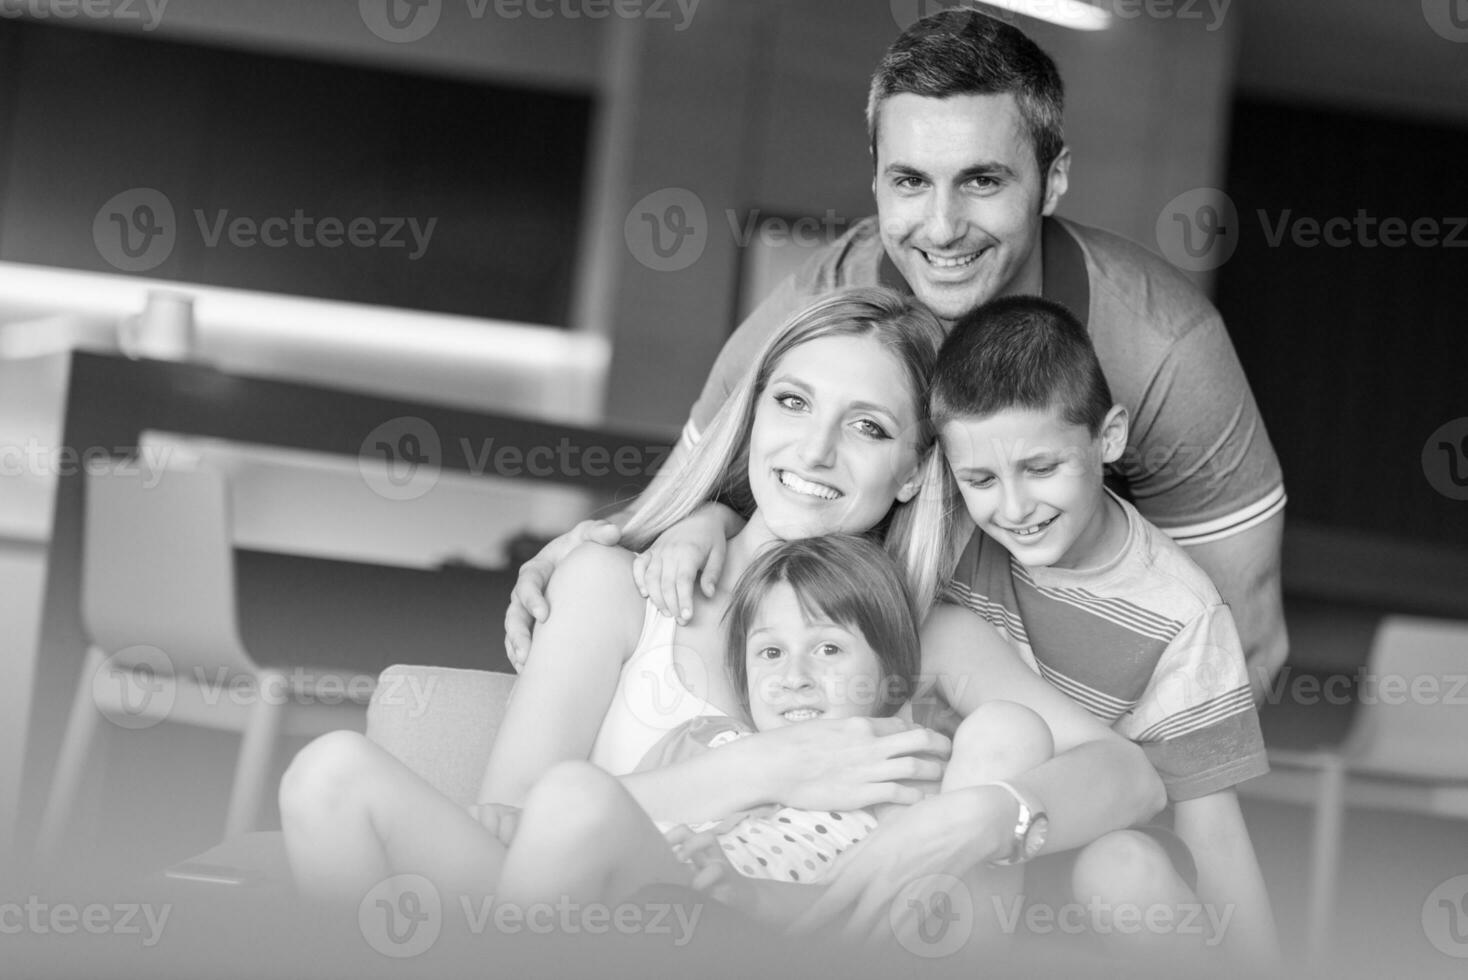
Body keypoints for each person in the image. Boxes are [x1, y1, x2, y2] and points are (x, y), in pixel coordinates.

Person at [280, 288, 1163, 944]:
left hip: (735, 936)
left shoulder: (921, 631)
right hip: (555, 907)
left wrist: (984, 818)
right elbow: (515, 818)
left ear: (910, 472)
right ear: (750, 423)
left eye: (867, 427)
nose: (813, 450)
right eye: (792, 403)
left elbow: (1131, 774)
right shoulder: (615, 586)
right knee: (329, 772)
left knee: (583, 808)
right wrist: (771, 766)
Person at [505, 8, 1288, 703]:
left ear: (1053, 181)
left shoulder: (1163, 348)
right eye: (910, 181)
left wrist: (1095, 806)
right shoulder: (823, 299)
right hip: (880, 694)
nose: (941, 228)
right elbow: (697, 493)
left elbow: (1242, 646)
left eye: (981, 181)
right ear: (875, 177)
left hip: (1076, 723)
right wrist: (592, 558)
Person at [922, 294, 1279, 963]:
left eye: (1040, 467)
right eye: (980, 478)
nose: (1015, 506)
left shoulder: (1183, 611)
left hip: (1088, 837)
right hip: (955, 829)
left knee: (1123, 869)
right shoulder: (947, 536)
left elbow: (1215, 832)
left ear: (1107, 438)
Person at [495, 534, 1052, 951]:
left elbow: (870, 909)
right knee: (571, 796)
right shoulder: (701, 742)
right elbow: (618, 828)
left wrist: (754, 897)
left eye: (829, 649)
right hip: (650, 913)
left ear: (892, 677)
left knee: (572, 792)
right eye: (770, 652)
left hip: (780, 936)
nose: (794, 675)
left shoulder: (896, 774)